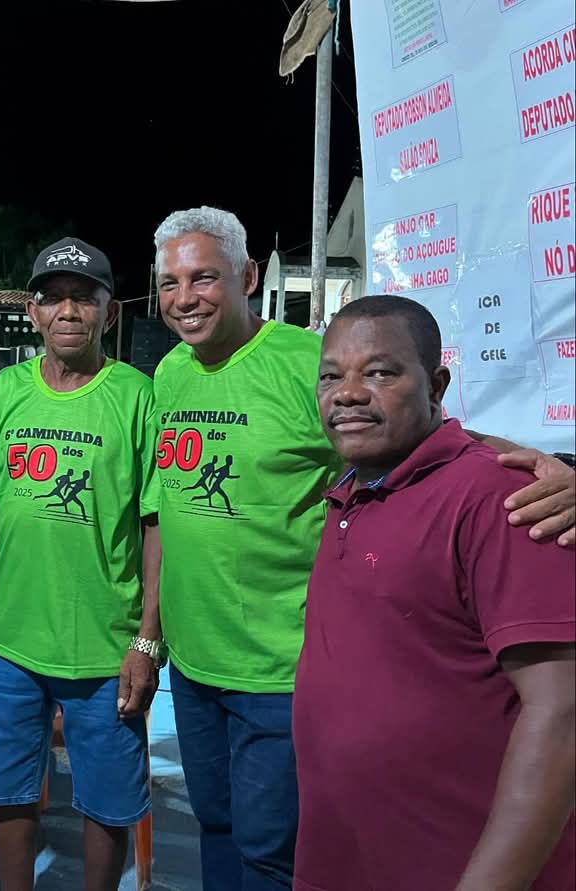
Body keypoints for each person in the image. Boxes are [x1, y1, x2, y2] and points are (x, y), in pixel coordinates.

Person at [150, 206, 576, 891]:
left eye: (203, 277)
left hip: (276, 672)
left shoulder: (306, 362)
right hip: (196, 664)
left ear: (247, 277)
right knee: (219, 830)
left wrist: (550, 469)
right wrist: (153, 640)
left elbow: (415, 430)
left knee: (268, 852)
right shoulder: (170, 371)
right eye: (169, 282)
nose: (184, 297)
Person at [294, 295, 574, 890]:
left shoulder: (503, 500)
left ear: (437, 385)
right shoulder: (355, 485)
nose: (347, 393)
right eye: (330, 376)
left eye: (380, 372)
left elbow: (562, 713)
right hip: (350, 857)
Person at [0, 238, 164, 891]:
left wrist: (148, 638)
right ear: (33, 312)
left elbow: (156, 525)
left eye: (84, 298)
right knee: (8, 792)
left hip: (104, 646)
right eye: (53, 298)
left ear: (110, 312)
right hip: (10, 641)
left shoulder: (136, 396)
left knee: (108, 802)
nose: (68, 311)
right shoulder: (7, 390)